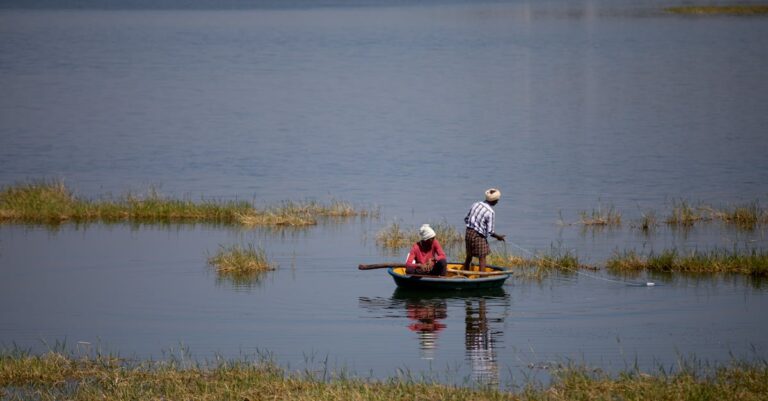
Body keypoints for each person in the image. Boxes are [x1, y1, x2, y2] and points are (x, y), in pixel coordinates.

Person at [463, 188, 506, 272]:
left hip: (468, 232)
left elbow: (466, 219)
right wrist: (498, 237)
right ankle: (481, 278)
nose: (497, 202)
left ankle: (465, 275)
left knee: (469, 256)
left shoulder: (476, 204)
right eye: (497, 200)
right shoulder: (490, 212)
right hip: (478, 235)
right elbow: (490, 231)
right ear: (494, 201)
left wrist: (474, 226)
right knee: (482, 257)